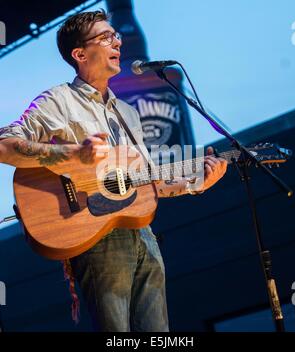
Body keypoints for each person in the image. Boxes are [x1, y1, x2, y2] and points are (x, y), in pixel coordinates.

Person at [0, 10, 227, 332]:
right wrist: (73, 153)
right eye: (105, 36)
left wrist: (197, 183)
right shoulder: (59, 100)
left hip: (143, 234)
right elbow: (5, 146)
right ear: (79, 54)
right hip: (93, 234)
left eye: (116, 36)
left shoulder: (128, 113)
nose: (116, 41)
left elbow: (143, 182)